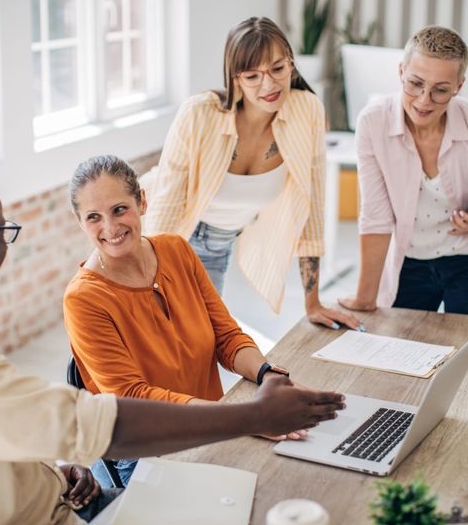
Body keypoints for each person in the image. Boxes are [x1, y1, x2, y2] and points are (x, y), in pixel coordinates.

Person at [0, 160, 345, 524]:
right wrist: (254, 417)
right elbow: (101, 422)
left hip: (60, 496)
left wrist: (50, 472)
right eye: (3, 233)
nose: (110, 227)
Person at [64, 155, 319, 487]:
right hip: (147, 452)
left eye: (119, 209)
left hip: (213, 425)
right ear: (79, 221)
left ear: (141, 200)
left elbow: (226, 336)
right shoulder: (83, 299)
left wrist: (268, 375)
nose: (110, 228)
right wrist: (242, 418)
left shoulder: (176, 251)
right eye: (93, 217)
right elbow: (132, 396)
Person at [143, 16, 359, 331]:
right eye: (253, 75)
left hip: (220, 246)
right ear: (236, 79)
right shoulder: (200, 114)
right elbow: (167, 206)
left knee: (201, 346)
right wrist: (151, 284)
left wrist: (312, 303)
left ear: (292, 66)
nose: (269, 85)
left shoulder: (307, 111)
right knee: (159, 341)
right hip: (165, 241)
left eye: (277, 69)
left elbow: (310, 206)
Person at [339, 26, 468, 319]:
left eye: (440, 90)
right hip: (409, 258)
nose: (424, 101)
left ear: (459, 86)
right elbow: (375, 216)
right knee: (400, 350)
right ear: (401, 71)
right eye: (414, 83)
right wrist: (365, 297)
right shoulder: (373, 123)